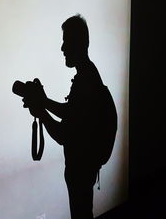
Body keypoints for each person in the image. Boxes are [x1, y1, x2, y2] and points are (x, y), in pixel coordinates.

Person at [22, 14, 117, 219]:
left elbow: (64, 134)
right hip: (85, 168)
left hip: (80, 170)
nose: (63, 48)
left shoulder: (86, 80)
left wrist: (41, 111)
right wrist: (44, 102)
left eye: (66, 42)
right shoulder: (88, 75)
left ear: (81, 43)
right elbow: (71, 112)